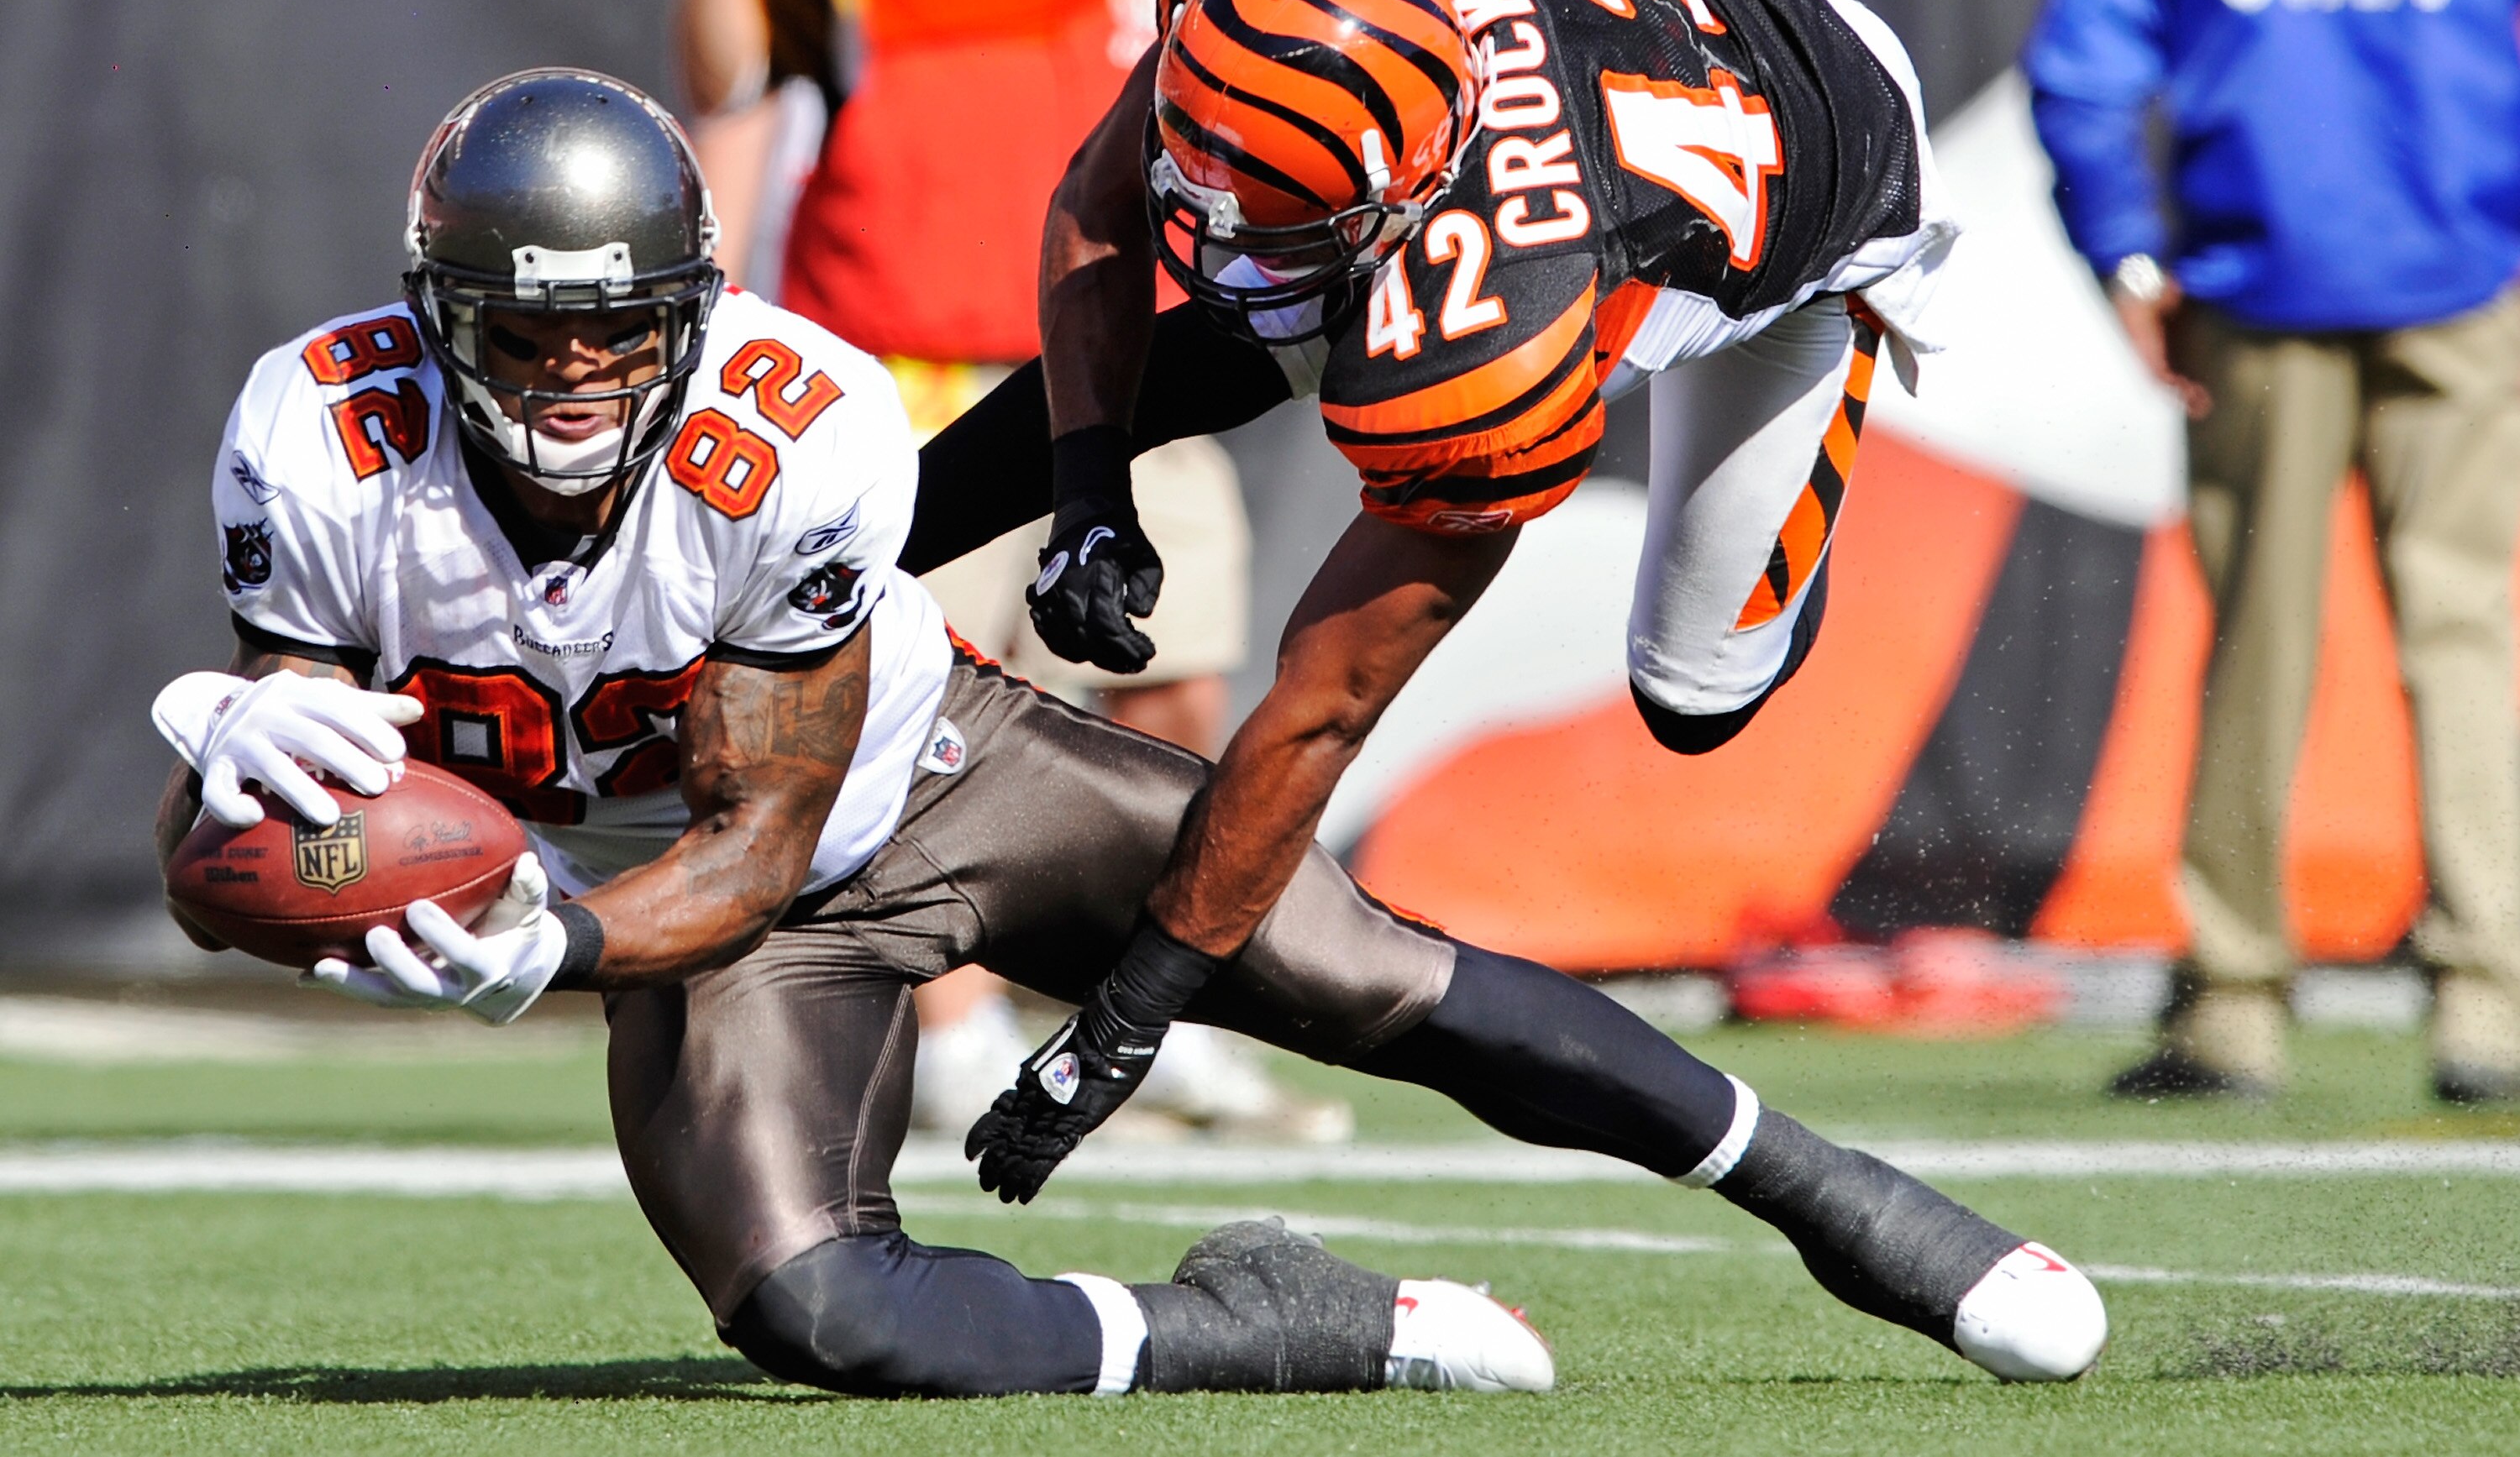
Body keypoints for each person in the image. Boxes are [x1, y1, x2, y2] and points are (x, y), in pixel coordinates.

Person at [149, 69, 2103, 1397]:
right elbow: (299, 787)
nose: (575, 377)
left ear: (691, 312)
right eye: (525, 333)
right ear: (436, 316)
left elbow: (766, 824)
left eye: (613, 330)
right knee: (817, 1312)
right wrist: (257, 739)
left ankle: (1853, 1202)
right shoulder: (318, 434)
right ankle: (1261, 1321)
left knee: (1370, 972)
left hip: (919, 783)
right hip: (720, 912)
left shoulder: (795, 422)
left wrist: (556, 941)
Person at [905, 0, 1957, 1174]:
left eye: (1267, 220)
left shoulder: (1496, 336)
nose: (1211, 234)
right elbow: (1103, 210)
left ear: (1410, 200)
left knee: (1694, 693)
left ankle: (1850, 331)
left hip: (1821, 163)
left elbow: (1325, 706)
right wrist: (1086, 492)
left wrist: (1132, 1012)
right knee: (1267, 320)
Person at [671, 0, 1326, 1135]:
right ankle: (956, 1021)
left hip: (1132, 359)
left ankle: (1153, 1011)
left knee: (1178, 693)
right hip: (903, 363)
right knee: (897, 714)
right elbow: (727, 78)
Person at [2024, 0, 2520, 1103]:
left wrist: (2127, 252)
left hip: (2252, 290)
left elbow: (2080, 67)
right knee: (2468, 631)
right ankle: (2493, 1003)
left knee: (2257, 643)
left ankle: (2235, 1006)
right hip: (2468, 278)